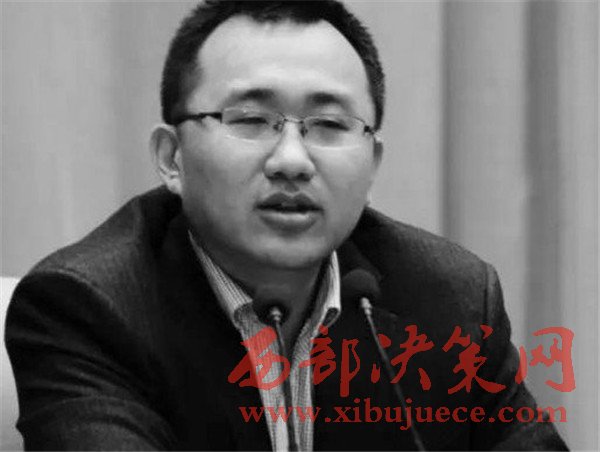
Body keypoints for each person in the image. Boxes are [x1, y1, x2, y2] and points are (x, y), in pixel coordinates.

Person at [5, 1, 568, 450]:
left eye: (329, 124)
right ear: (172, 158)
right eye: (251, 119)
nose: (292, 160)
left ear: (372, 164)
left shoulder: (451, 301)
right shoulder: (86, 309)